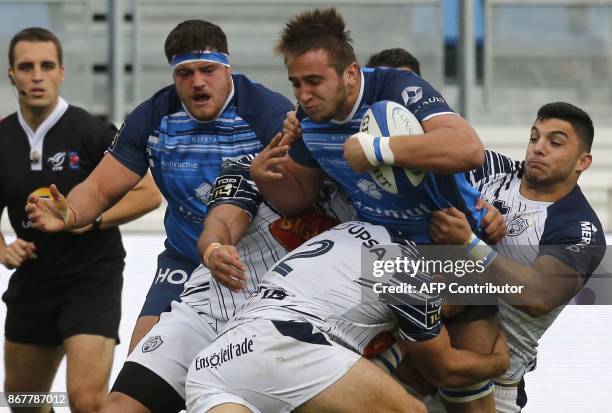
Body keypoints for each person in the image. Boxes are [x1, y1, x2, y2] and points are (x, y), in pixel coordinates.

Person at [25, 20, 294, 355]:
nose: (197, 82)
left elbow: (303, 189)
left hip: (260, 261)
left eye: (208, 70)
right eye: (185, 73)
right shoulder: (153, 117)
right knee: (136, 371)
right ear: (173, 77)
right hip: (185, 259)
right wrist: (71, 212)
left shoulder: (267, 110)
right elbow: (99, 188)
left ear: (228, 69)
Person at [184, 215, 510, 413]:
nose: (445, 311)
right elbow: (444, 370)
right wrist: (499, 362)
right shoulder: (409, 270)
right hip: (284, 344)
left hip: (214, 364)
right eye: (458, 298)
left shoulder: (351, 230)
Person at [0, 27, 161, 413]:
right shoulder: (3, 138)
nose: (37, 75)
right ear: (11, 75)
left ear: (61, 72)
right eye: (26, 66)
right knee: (23, 400)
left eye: (46, 65)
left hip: (92, 277)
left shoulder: (89, 130)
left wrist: (88, 220)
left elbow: (149, 193)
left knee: (86, 401)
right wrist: (3, 250)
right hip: (35, 280)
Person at [428, 102, 606, 412]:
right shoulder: (492, 172)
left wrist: (469, 243)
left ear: (583, 161)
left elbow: (537, 296)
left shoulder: (579, 227)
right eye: (534, 137)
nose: (538, 148)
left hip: (493, 387)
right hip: (427, 359)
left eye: (555, 142)